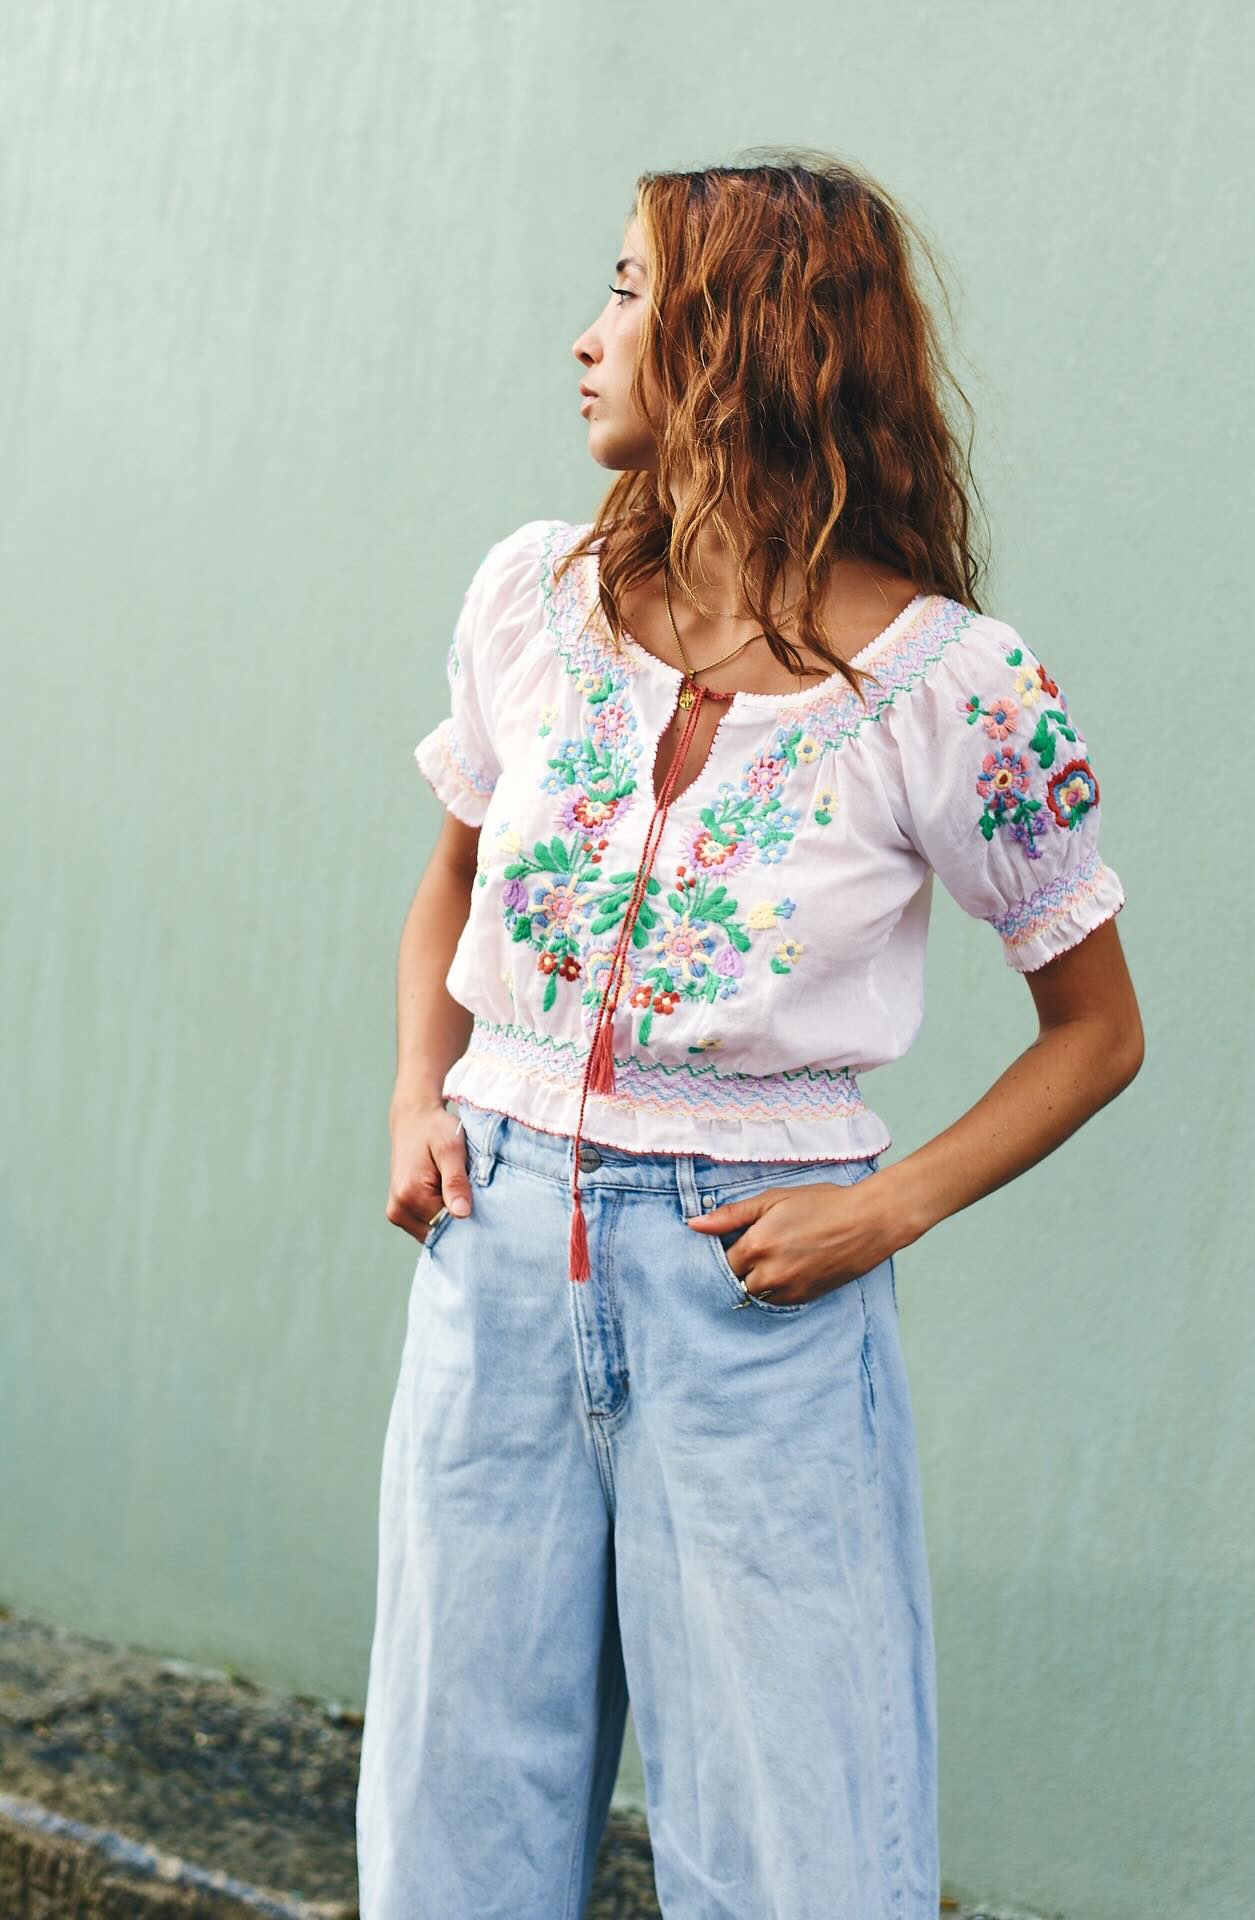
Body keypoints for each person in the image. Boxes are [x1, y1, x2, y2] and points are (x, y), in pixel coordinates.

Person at [355, 151, 1143, 1919]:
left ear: (748, 345)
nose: (588, 337)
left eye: (632, 293)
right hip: (495, 1251)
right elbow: (450, 882)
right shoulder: (533, 601)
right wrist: (418, 1094)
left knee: (800, 1843)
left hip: (751, 1291)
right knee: (451, 1818)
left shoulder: (951, 687)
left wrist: (889, 1207)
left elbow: (1096, 1030)